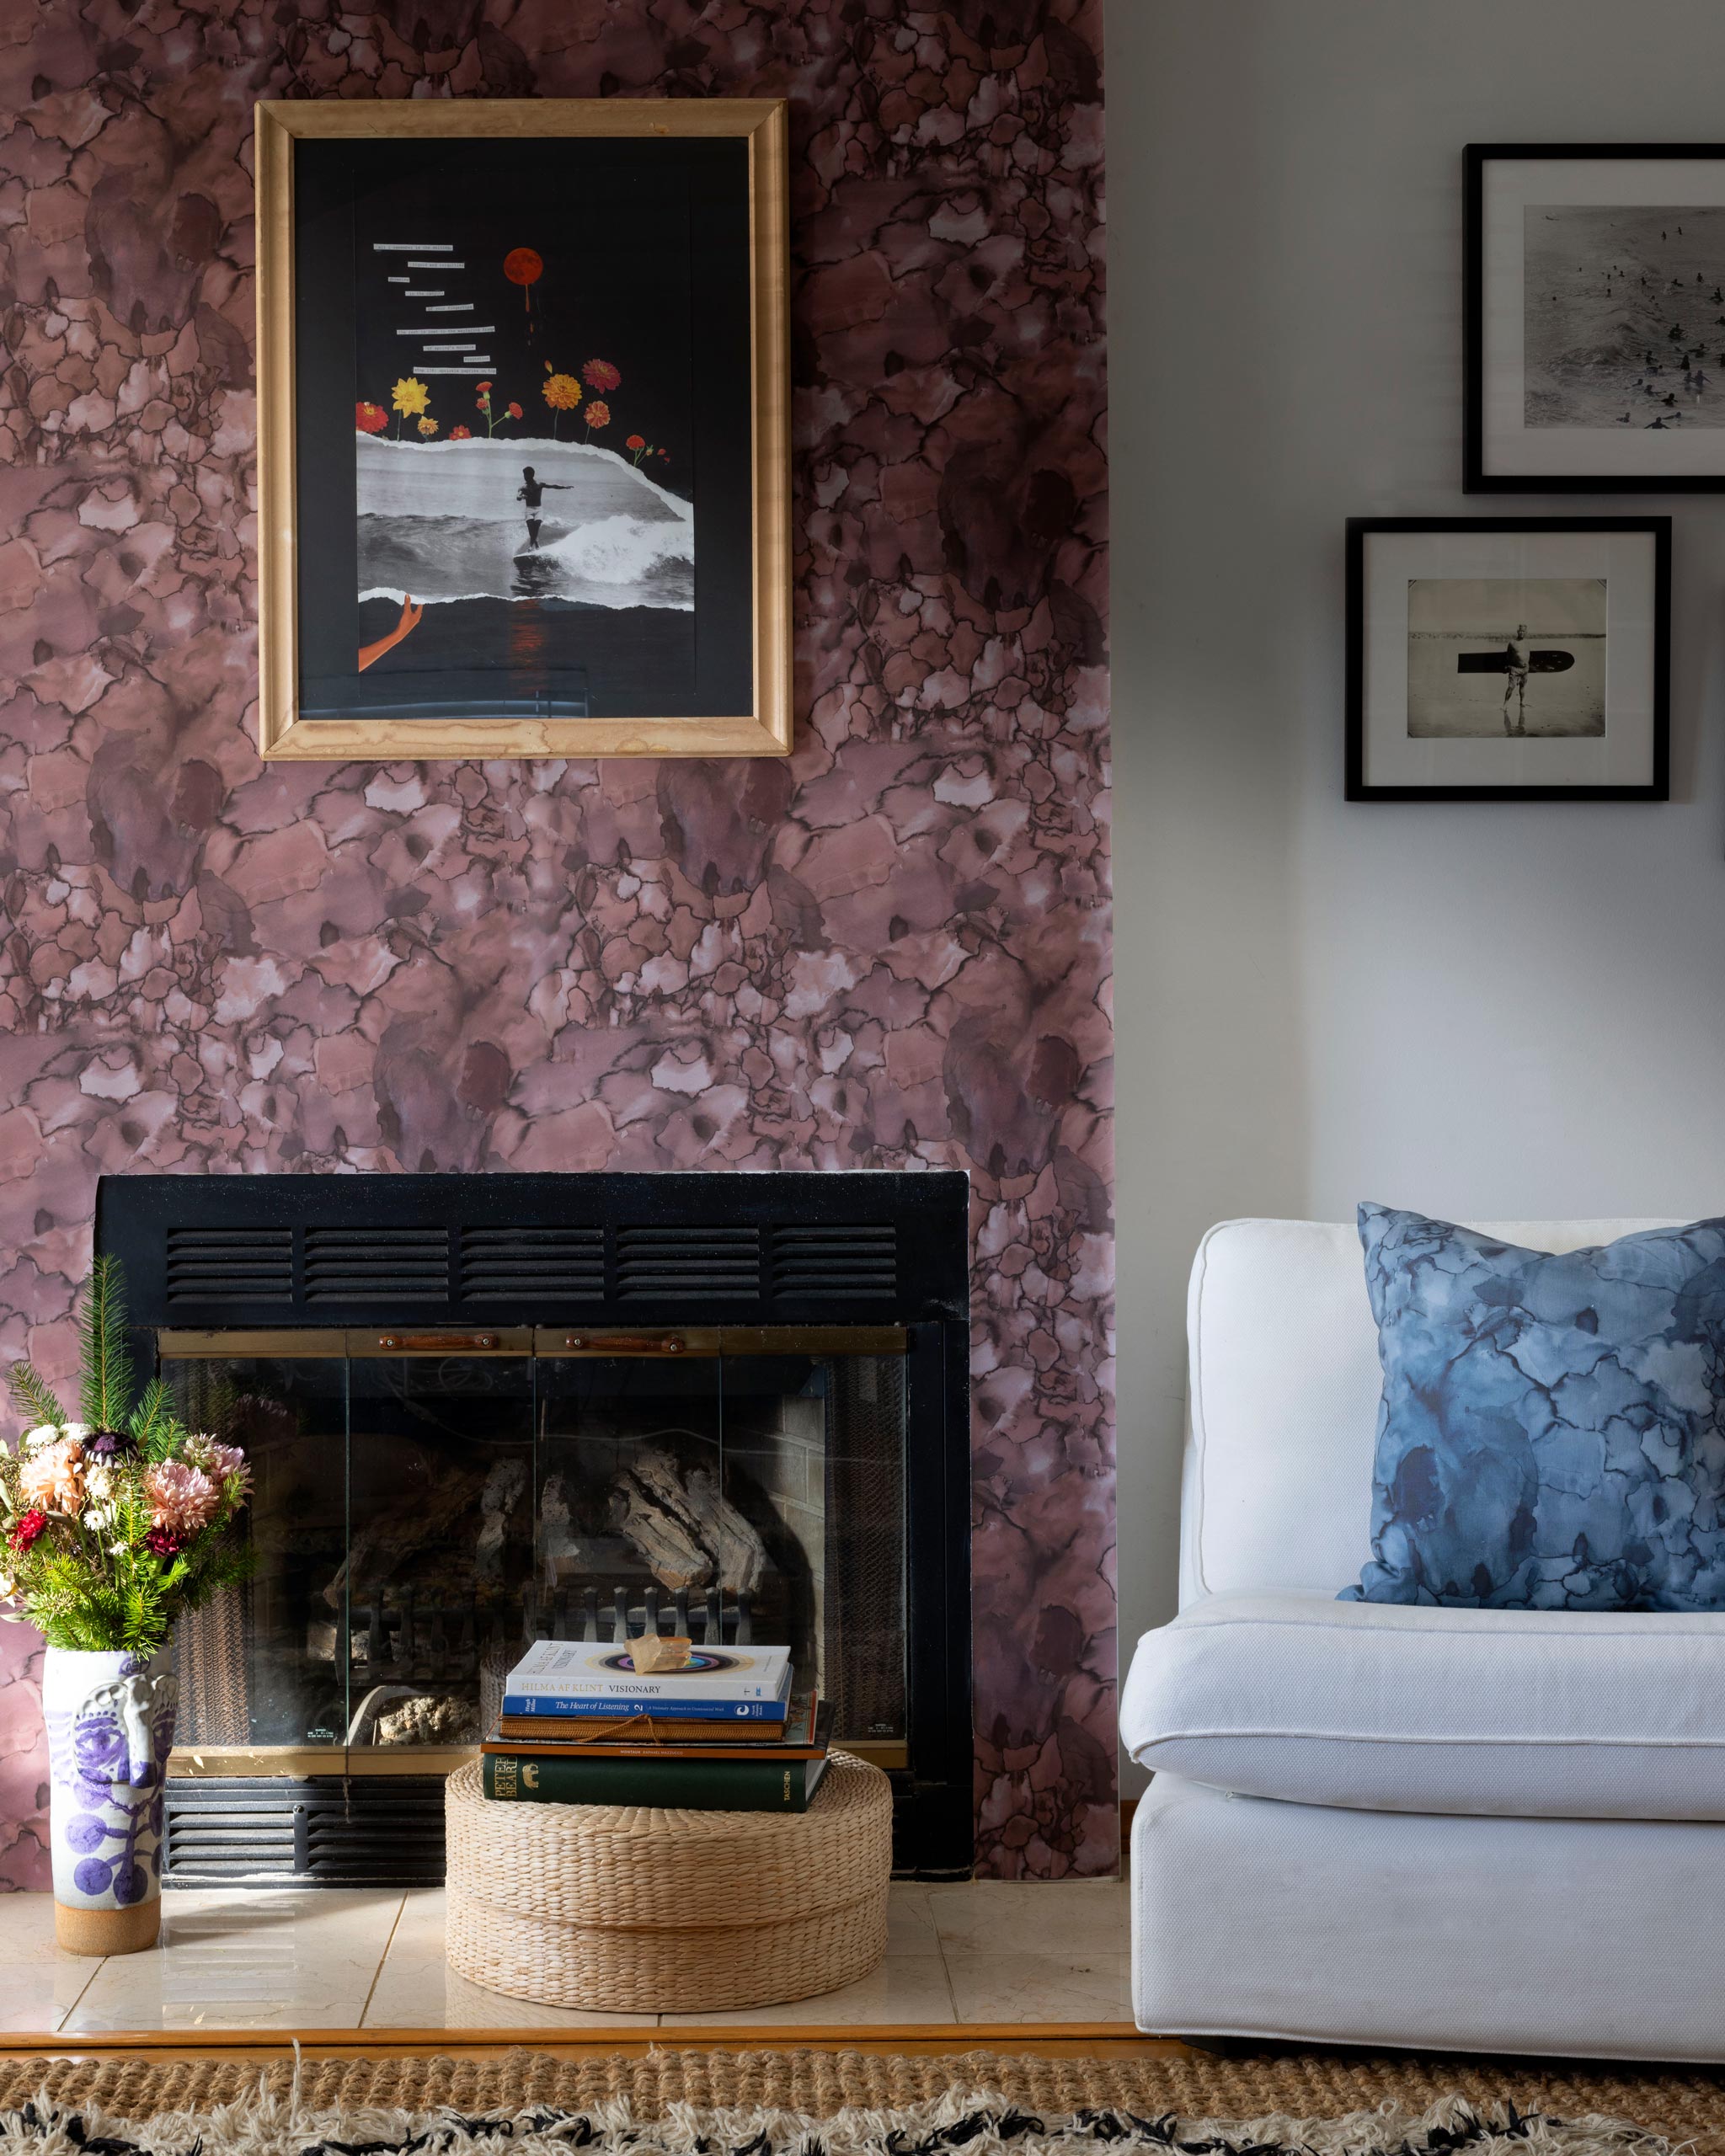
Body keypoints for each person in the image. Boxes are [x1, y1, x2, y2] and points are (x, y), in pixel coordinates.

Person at [516, 464, 572, 552]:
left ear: (532, 475)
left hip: (538, 510)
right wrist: (522, 497)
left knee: (537, 524)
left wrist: (564, 487)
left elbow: (553, 486)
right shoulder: (523, 488)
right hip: (529, 510)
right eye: (524, 475)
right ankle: (536, 543)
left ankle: (531, 546)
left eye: (527, 475)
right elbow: (518, 497)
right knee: (531, 528)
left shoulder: (540, 485)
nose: (525, 477)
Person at [1502, 624, 1530, 738]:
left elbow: (1528, 655)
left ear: (1526, 632)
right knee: (1511, 687)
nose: (1522, 633)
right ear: (1517, 632)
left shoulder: (1527, 642)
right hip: (1514, 669)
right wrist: (1509, 666)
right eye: (1520, 631)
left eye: (1524, 631)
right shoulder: (1512, 643)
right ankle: (1505, 704)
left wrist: (1527, 666)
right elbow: (1508, 656)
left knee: (1522, 686)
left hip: (1525, 669)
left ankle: (1522, 702)